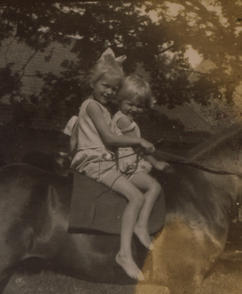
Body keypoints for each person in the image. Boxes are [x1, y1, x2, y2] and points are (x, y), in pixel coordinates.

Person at [69, 49, 155, 281]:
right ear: (93, 82)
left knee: (139, 188)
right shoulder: (93, 107)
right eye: (105, 86)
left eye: (115, 89)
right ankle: (125, 253)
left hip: (102, 161)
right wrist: (138, 139)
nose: (109, 91)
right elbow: (109, 139)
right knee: (137, 197)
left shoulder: (102, 109)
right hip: (96, 163)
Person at [111, 74, 169, 252]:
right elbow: (138, 146)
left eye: (139, 106)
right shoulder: (123, 120)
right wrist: (156, 162)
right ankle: (141, 226)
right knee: (154, 187)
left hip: (131, 164)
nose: (134, 109)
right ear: (120, 100)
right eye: (130, 103)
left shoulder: (128, 119)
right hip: (126, 168)